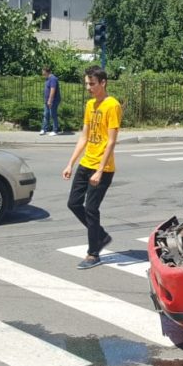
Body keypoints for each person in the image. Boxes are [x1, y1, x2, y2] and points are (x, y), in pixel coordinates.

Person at [62, 66, 122, 269]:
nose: (88, 87)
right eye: (86, 83)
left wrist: (99, 170)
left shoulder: (112, 105)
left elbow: (112, 142)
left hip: (102, 168)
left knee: (91, 208)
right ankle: (101, 236)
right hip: (86, 163)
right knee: (73, 203)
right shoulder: (90, 105)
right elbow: (84, 136)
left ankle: (93, 253)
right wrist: (70, 163)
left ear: (103, 83)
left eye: (92, 83)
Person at [40, 66, 61, 135]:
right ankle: (44, 129)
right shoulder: (47, 79)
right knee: (46, 114)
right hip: (47, 100)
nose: (42, 73)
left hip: (53, 100)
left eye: (43, 71)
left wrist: (50, 100)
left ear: (46, 71)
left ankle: (55, 130)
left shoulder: (53, 79)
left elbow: (53, 90)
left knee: (53, 114)